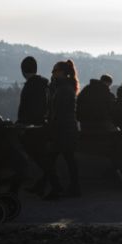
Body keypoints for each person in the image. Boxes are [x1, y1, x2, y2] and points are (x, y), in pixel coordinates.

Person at [39, 60, 80, 200]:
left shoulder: (63, 90)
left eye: (55, 70)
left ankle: (57, 189)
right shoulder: (66, 87)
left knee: (50, 160)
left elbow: (57, 111)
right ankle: (72, 188)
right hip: (67, 129)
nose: (52, 73)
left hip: (62, 129)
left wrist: (51, 128)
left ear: (62, 72)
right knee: (68, 160)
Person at [16, 57, 49, 194]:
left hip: (31, 127)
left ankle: (51, 182)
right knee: (41, 156)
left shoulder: (30, 85)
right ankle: (45, 182)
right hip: (40, 125)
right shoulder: (43, 84)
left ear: (23, 71)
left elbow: (26, 107)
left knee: (37, 155)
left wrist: (22, 123)